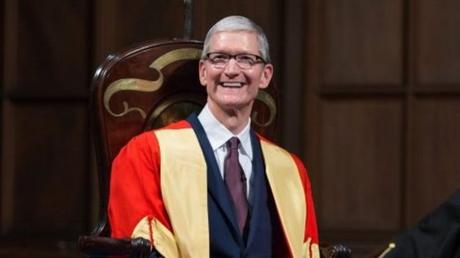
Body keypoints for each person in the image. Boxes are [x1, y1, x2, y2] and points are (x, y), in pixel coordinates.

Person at [108, 15, 319, 258]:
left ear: (265, 75)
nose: (231, 70)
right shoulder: (148, 153)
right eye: (219, 58)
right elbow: (141, 249)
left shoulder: (290, 170)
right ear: (203, 72)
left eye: (246, 59)